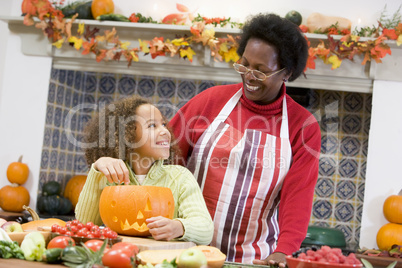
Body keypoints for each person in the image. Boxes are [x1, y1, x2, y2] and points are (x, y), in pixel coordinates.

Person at [169, 13, 321, 266]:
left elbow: (298, 196)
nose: (249, 76)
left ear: (287, 72)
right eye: (245, 65)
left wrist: (283, 251)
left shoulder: (302, 126)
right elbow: (163, 158)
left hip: (253, 259)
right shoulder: (210, 101)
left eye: (261, 72)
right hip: (186, 250)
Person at [75, 96, 214, 245]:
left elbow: (206, 230)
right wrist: (97, 169)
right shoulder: (108, 176)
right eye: (152, 126)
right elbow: (84, 224)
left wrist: (180, 227)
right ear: (126, 136)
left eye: (163, 124)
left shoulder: (180, 177)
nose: (165, 131)